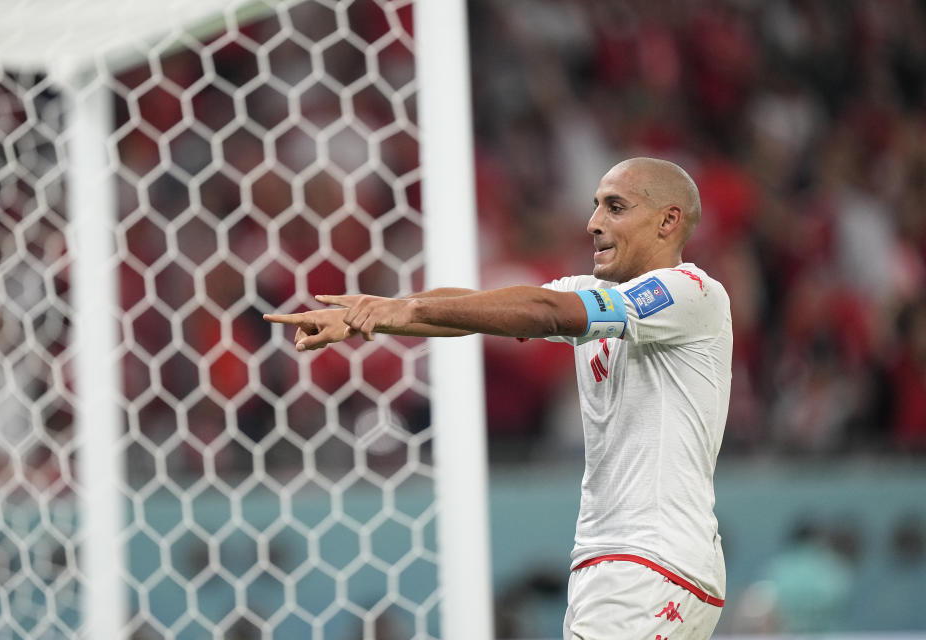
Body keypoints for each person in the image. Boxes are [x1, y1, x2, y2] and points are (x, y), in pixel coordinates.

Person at [265, 157, 732, 639]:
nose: (594, 223)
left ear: (668, 220)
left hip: (652, 557)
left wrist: (402, 311)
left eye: (615, 207)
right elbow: (477, 306)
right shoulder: (591, 293)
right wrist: (382, 313)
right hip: (621, 559)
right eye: (595, 207)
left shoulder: (692, 293)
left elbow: (544, 312)